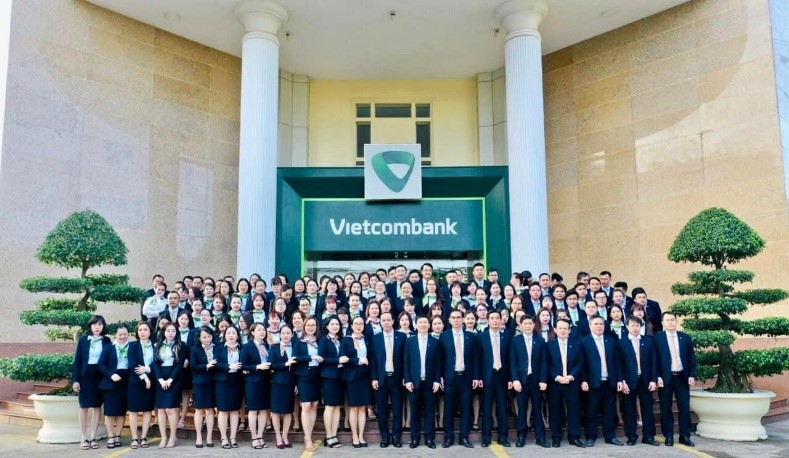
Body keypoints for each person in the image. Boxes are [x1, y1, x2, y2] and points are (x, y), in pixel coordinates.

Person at [654, 311, 697, 447]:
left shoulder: (685, 338)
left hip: (682, 377)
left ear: (676, 321)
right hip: (665, 378)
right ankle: (668, 436)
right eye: (667, 320)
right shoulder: (657, 338)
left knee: (684, 407)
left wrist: (691, 375)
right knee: (665, 408)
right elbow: (654, 359)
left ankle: (685, 436)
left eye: (672, 320)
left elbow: (691, 357)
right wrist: (657, 376)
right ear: (663, 323)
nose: (670, 322)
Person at [580, 315, 624, 446]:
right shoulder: (584, 342)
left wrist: (620, 379)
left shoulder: (611, 341)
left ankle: (610, 436)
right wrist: (583, 380)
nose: (599, 326)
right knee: (591, 411)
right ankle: (590, 437)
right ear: (590, 326)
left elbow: (617, 362)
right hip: (592, 383)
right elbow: (582, 363)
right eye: (596, 324)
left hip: (609, 382)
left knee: (609, 411)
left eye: (601, 324)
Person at [438, 309, 478, 448]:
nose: (456, 320)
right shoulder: (444, 336)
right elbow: (440, 359)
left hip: (466, 377)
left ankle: (464, 437)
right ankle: (448, 437)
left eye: (458, 317)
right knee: (448, 408)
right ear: (449, 320)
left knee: (466, 408)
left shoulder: (471, 336)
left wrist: (476, 376)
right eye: (453, 318)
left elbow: (475, 358)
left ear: (462, 319)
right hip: (450, 377)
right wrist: (440, 377)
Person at [618, 316, 660, 446]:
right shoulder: (621, 342)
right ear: (627, 326)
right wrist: (622, 380)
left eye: (637, 325)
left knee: (647, 408)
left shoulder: (648, 341)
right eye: (632, 325)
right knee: (629, 409)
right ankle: (631, 436)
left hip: (645, 380)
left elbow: (654, 361)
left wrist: (653, 379)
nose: (635, 328)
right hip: (628, 381)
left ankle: (648, 436)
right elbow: (618, 364)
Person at [509, 315, 550, 448]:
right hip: (522, 380)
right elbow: (513, 362)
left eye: (530, 323)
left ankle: (540, 437)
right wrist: (515, 379)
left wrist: (543, 380)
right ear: (520, 325)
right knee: (522, 409)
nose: (528, 326)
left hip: (536, 380)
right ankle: (521, 436)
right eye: (525, 323)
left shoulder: (540, 340)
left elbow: (544, 362)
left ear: (533, 325)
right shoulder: (515, 341)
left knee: (538, 409)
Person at [72, 315, 111, 450]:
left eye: (100, 324)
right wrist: (76, 380)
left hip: (100, 376)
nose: (97, 327)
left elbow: (109, 359)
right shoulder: (83, 340)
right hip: (85, 376)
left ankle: (93, 437)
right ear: (90, 326)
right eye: (94, 325)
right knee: (84, 407)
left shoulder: (106, 340)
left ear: (103, 326)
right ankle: (84, 437)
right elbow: (77, 361)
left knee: (97, 407)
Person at [547, 318, 585, 448]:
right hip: (555, 384)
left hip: (571, 382)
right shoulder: (549, 345)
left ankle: (574, 437)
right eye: (560, 328)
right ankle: (556, 437)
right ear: (555, 330)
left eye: (565, 328)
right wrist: (556, 377)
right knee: (555, 411)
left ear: (569, 330)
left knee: (573, 411)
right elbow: (547, 364)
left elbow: (580, 362)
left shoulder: (577, 344)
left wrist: (571, 376)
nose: (563, 330)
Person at [370, 311, 406, 448]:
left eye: (388, 320)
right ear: (380, 322)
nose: (386, 322)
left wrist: (405, 377)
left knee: (397, 410)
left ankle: (396, 436)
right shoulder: (376, 338)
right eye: (383, 320)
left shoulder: (401, 337)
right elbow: (373, 360)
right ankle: (384, 437)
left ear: (393, 321)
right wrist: (374, 378)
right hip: (381, 379)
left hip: (397, 379)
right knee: (382, 410)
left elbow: (405, 359)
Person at [404, 315, 441, 449]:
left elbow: (438, 363)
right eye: (420, 322)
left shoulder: (435, 341)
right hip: (414, 383)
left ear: (429, 325)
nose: (423, 325)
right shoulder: (410, 341)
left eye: (425, 322)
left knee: (430, 411)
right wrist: (407, 380)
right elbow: (406, 362)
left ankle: (429, 438)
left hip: (430, 383)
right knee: (414, 411)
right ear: (416, 325)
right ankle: (415, 438)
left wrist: (437, 380)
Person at [476, 310, 511, 447]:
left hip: (502, 376)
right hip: (487, 377)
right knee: (486, 408)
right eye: (492, 318)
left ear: (501, 320)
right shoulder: (481, 337)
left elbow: (510, 359)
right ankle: (486, 438)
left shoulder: (506, 336)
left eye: (497, 318)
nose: (495, 320)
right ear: (488, 320)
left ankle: (503, 437)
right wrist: (478, 377)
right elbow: (477, 359)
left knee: (502, 408)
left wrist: (511, 378)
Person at [340, 316, 372, 447]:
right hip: (352, 377)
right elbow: (343, 358)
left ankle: (361, 436)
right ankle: (354, 436)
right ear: (352, 326)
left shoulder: (367, 339)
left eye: (361, 324)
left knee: (362, 407)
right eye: (356, 324)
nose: (358, 326)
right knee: (353, 408)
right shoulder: (346, 340)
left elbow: (371, 357)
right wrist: (358, 360)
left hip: (364, 376)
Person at [152, 322, 185, 448]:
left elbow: (179, 364)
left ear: (176, 332)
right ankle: (163, 437)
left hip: (174, 378)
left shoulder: (181, 345)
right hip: (160, 379)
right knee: (161, 409)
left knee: (170, 409)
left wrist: (170, 380)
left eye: (173, 331)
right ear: (163, 332)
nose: (170, 333)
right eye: (168, 331)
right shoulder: (157, 345)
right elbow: (155, 364)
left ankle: (172, 436)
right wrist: (160, 380)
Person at [98, 323, 130, 449]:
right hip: (111, 381)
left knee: (122, 411)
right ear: (115, 334)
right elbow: (101, 365)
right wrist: (111, 375)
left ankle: (118, 435)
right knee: (110, 411)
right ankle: (110, 436)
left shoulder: (131, 347)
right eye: (120, 334)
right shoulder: (108, 348)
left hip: (126, 380)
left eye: (125, 334)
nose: (122, 336)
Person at [241, 323, 272, 449]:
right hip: (252, 381)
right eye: (258, 330)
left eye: (263, 330)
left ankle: (260, 436)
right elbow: (243, 365)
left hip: (266, 381)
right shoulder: (247, 346)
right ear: (253, 332)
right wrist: (257, 367)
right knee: (253, 410)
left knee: (264, 409)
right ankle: (254, 437)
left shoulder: (268, 345)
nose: (262, 332)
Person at [294, 316, 323, 451]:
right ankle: (307, 438)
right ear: (304, 326)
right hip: (304, 376)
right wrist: (311, 357)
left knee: (314, 405)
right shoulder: (299, 342)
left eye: (313, 325)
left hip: (317, 375)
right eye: (308, 325)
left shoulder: (320, 341)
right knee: (306, 405)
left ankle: (309, 433)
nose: (311, 327)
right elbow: (295, 358)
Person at [127, 322, 156, 449]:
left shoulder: (156, 345)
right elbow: (133, 364)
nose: (142, 332)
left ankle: (144, 437)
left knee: (147, 410)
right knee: (133, 410)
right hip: (135, 382)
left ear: (150, 331)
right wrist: (145, 378)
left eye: (145, 330)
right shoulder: (133, 345)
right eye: (140, 330)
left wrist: (147, 369)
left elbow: (158, 362)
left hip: (152, 380)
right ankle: (134, 438)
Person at [318, 316, 345, 448]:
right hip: (329, 376)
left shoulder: (341, 340)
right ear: (327, 326)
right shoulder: (324, 340)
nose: (335, 326)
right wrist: (338, 360)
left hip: (340, 376)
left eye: (337, 324)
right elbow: (322, 358)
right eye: (332, 324)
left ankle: (334, 435)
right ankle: (329, 436)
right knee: (329, 406)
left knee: (337, 406)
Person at [270, 325, 297, 448]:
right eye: (283, 333)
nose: (286, 335)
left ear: (292, 334)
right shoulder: (274, 347)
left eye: (288, 333)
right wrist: (285, 364)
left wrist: (296, 383)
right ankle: (278, 437)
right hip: (277, 382)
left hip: (290, 382)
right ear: (280, 335)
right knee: (276, 411)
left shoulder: (295, 346)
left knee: (288, 410)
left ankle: (285, 436)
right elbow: (271, 365)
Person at [190, 326, 217, 448]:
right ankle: (199, 436)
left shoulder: (216, 347)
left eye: (209, 336)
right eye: (204, 337)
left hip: (213, 382)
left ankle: (209, 437)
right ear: (199, 338)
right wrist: (207, 365)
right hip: (200, 383)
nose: (207, 339)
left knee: (210, 410)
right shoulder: (194, 349)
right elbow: (193, 366)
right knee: (199, 410)